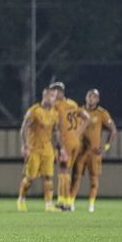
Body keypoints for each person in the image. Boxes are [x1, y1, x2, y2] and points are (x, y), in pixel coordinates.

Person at [16, 87, 66, 212]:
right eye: (52, 96)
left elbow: (55, 131)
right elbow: (24, 128)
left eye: (55, 96)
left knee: (48, 177)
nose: (54, 98)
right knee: (30, 178)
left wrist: (61, 148)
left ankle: (49, 205)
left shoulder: (55, 112)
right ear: (45, 96)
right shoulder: (34, 110)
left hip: (48, 149)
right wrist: (25, 145)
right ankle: (21, 199)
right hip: (34, 148)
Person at [68, 89, 117, 212]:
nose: (91, 98)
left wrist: (105, 146)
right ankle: (70, 203)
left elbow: (113, 130)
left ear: (98, 99)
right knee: (75, 178)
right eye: (89, 96)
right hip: (79, 152)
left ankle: (91, 205)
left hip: (94, 152)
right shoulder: (79, 111)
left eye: (94, 97)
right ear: (86, 97)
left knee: (94, 179)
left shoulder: (101, 114)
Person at [49, 82, 89, 210]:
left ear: (60, 92)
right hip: (74, 141)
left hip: (65, 140)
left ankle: (66, 202)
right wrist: (78, 133)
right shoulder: (72, 103)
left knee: (63, 171)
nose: (54, 94)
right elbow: (86, 118)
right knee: (65, 171)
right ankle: (63, 200)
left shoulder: (56, 105)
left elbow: (55, 125)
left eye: (55, 92)